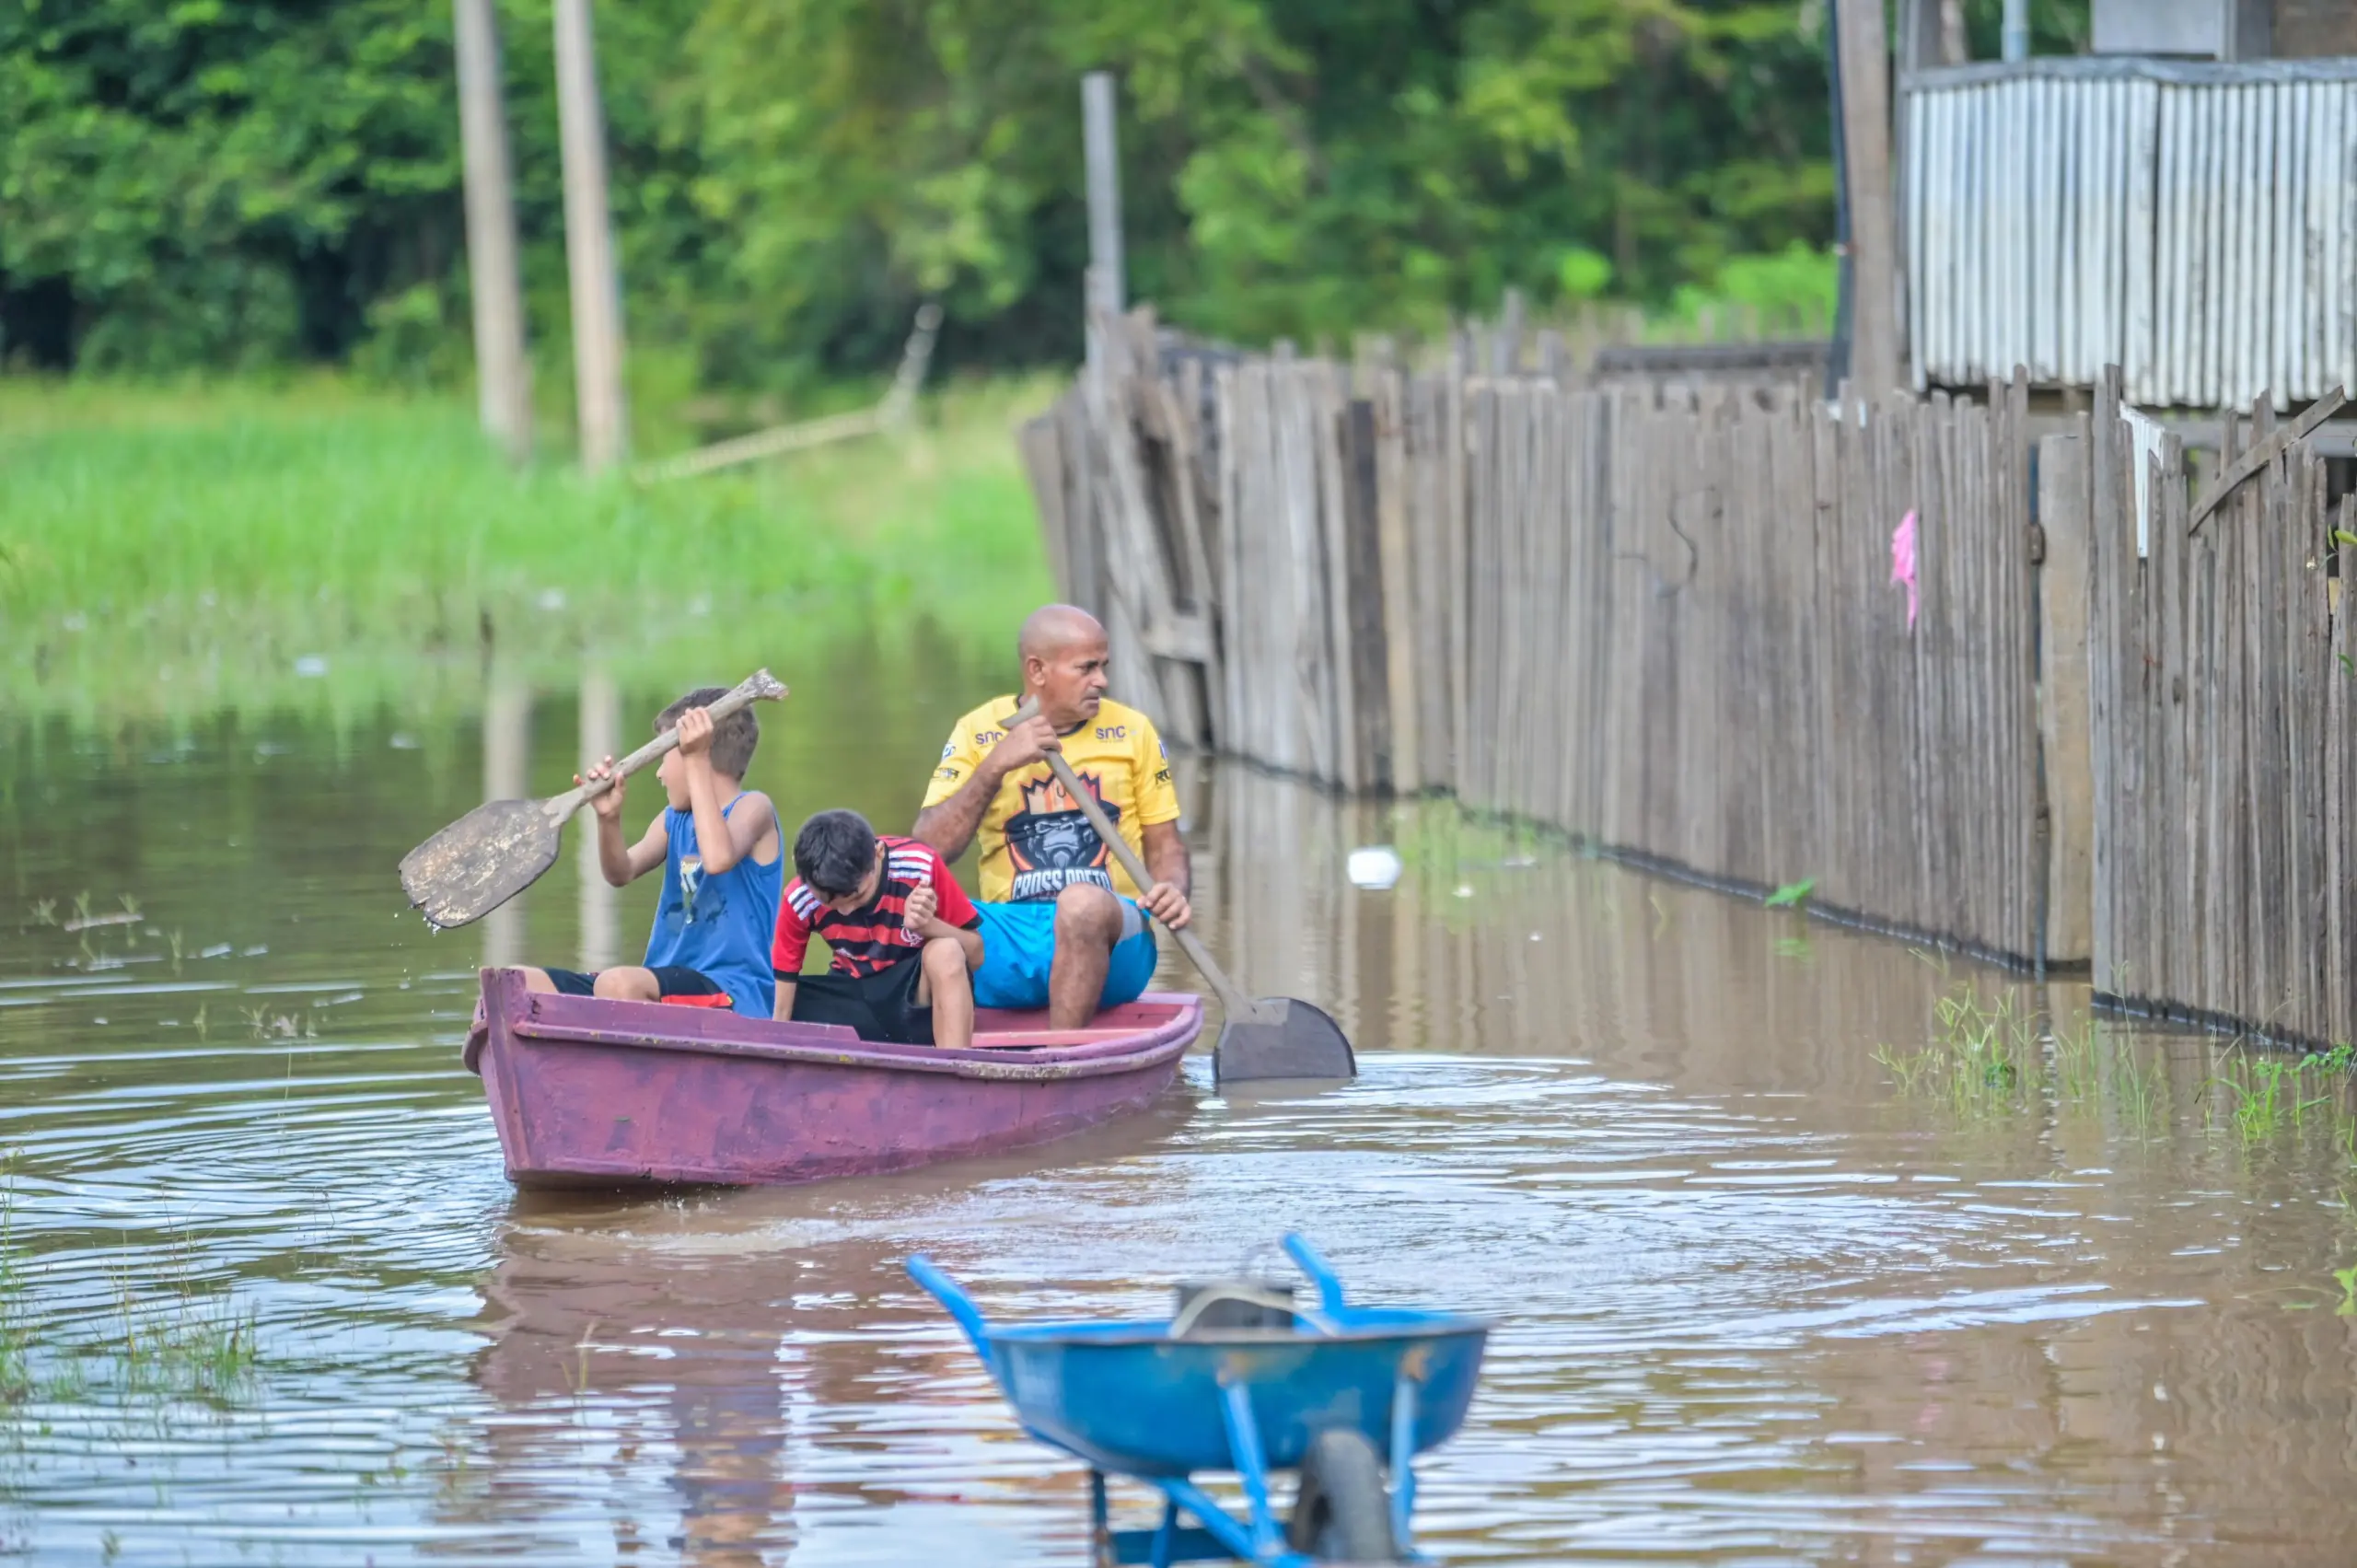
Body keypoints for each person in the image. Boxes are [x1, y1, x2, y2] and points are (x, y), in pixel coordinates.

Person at [911, 604, 1190, 1028]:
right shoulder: (977, 732)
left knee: (1079, 904)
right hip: (1010, 938)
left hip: (1114, 939)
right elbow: (925, 851)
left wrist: (1171, 889)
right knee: (912, 907)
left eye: (1104, 666)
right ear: (1038, 671)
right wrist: (995, 766)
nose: (1103, 681)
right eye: (1087, 668)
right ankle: (925, 1057)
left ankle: (1059, 1064)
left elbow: (1165, 845)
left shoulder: (1134, 732)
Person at [520, 687, 783, 1016]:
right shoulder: (674, 820)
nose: (658, 773)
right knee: (518, 983)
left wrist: (695, 760)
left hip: (731, 994)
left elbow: (717, 859)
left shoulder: (753, 808)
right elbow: (620, 872)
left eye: (664, 759)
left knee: (618, 986)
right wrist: (609, 820)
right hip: (661, 985)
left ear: (697, 755)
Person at [771, 809, 985, 1048]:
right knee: (764, 994)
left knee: (946, 951)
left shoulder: (919, 866)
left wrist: (930, 925)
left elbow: (975, 954)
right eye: (831, 904)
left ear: (878, 853)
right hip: (852, 996)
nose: (846, 912)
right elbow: (783, 986)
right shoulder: (801, 897)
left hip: (912, 998)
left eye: (858, 896)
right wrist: (777, 1047)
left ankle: (954, 1070)